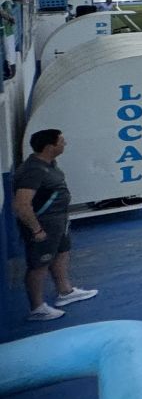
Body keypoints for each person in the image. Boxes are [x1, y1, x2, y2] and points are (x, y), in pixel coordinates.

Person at [14, 130, 98, 322]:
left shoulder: (49, 164)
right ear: (50, 147)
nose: (65, 143)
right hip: (44, 224)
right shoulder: (33, 171)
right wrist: (37, 229)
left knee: (61, 253)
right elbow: (21, 204)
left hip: (59, 221)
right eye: (61, 141)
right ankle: (37, 308)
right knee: (39, 265)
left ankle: (65, 291)